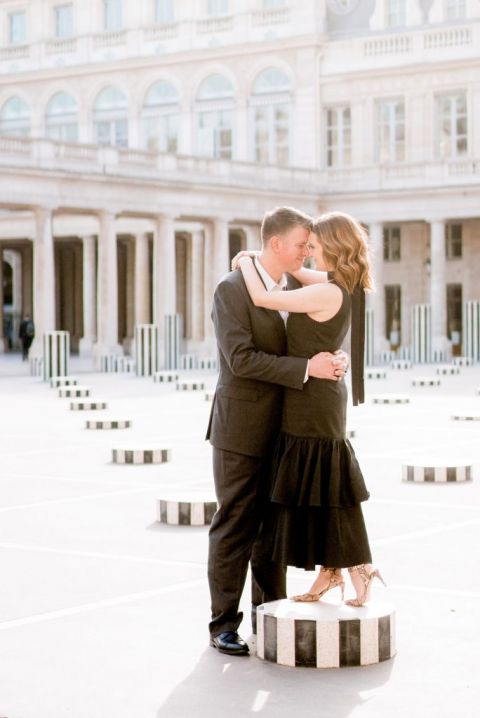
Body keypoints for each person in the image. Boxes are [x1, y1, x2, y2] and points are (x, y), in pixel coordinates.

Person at [206, 207, 349, 656]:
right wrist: (308, 367)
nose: (308, 251)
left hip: (285, 428)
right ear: (276, 244)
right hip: (240, 429)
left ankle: (268, 611)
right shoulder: (231, 289)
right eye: (302, 244)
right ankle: (223, 623)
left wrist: (332, 359)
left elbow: (311, 337)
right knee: (235, 525)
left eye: (311, 245)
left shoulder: (290, 287)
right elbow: (241, 359)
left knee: (272, 530)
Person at [236, 211, 385, 607]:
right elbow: (298, 275)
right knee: (323, 484)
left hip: (313, 400)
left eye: (314, 247)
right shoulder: (340, 284)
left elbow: (263, 296)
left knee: (328, 484)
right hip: (316, 395)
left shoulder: (329, 291)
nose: (308, 254)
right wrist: (263, 253)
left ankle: (355, 567)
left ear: (333, 248)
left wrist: (246, 261)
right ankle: (335, 570)